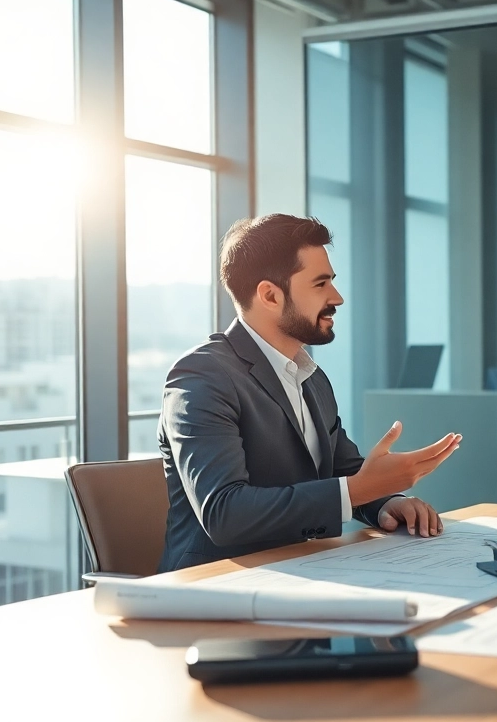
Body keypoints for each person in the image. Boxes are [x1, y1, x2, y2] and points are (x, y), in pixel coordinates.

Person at [157, 213, 461, 573]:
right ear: (269, 295)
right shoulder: (201, 376)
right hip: (218, 593)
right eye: (320, 285)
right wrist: (358, 491)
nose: (337, 297)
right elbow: (225, 512)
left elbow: (344, 470)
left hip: (307, 574)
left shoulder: (309, 375)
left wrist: (385, 501)